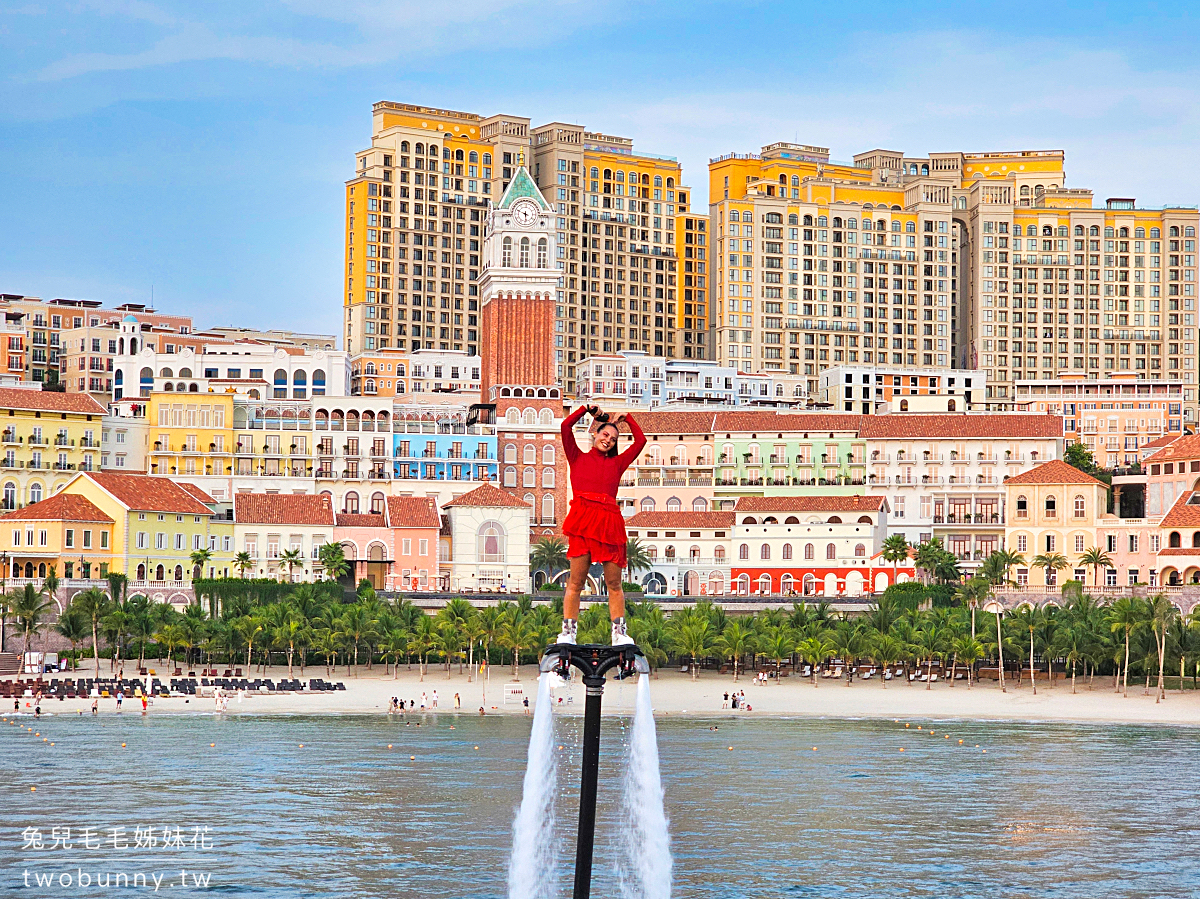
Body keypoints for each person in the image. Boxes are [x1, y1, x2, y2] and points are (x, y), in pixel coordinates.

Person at [556, 404, 646, 646]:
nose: (608, 440)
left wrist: (627, 418)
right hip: (583, 520)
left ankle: (618, 633)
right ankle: (568, 633)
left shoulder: (616, 465)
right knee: (575, 582)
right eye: (605, 434)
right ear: (595, 434)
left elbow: (640, 441)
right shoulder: (577, 457)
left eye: (613, 438)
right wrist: (586, 409)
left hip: (609, 523)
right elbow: (565, 426)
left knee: (614, 584)